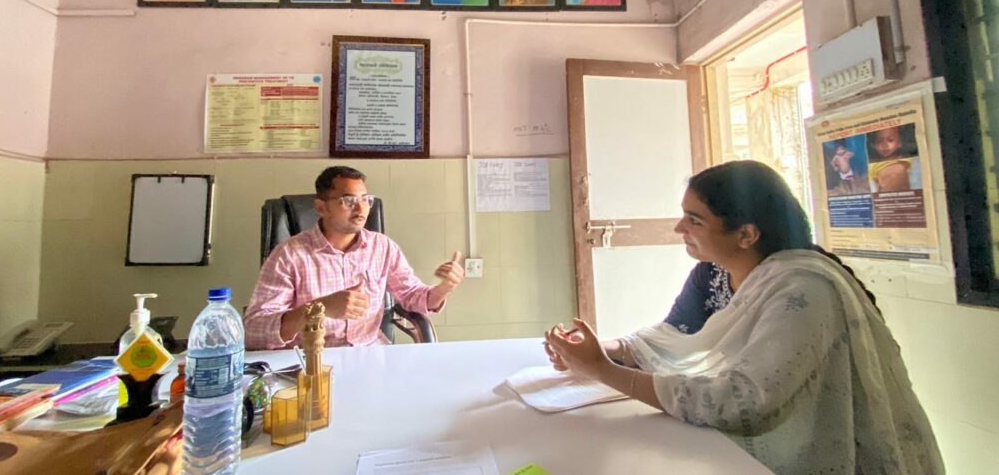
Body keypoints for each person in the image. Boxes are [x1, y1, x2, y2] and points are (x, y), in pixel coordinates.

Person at [543, 161, 943, 474]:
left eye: (694, 219)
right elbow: (674, 335)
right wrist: (602, 351)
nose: (679, 227)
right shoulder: (715, 271)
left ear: (746, 234)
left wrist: (603, 371)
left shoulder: (803, 290)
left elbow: (743, 401)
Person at [244, 166, 465, 349]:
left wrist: (443, 288)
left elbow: (412, 297)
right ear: (321, 207)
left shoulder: (382, 247)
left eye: (366, 200)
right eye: (349, 201)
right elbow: (253, 330)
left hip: (370, 355)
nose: (361, 209)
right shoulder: (289, 254)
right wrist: (319, 308)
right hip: (310, 362)